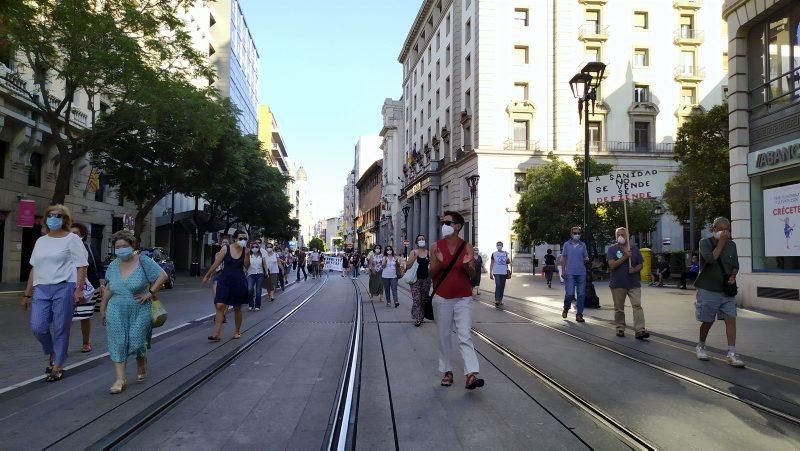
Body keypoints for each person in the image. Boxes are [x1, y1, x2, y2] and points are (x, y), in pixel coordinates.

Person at [22, 204, 89, 382]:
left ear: (65, 219)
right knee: (38, 327)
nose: (54, 218)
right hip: (42, 289)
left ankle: (57, 365)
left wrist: (79, 289)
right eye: (51, 215)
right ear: (46, 219)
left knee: (60, 328)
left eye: (58, 215)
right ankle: (52, 351)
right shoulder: (41, 241)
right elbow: (34, 267)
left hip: (64, 287)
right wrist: (27, 294)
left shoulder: (72, 239)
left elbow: (81, 265)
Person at [100, 230, 168, 393]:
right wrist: (103, 308)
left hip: (140, 307)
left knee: (136, 340)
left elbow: (163, 275)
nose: (121, 249)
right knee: (118, 342)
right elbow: (109, 288)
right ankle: (120, 378)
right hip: (116, 308)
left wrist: (149, 293)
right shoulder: (113, 265)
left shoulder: (143, 261)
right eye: (118, 247)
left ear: (132, 246)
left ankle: (141, 359)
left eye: (124, 246)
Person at [430, 211, 484, 390]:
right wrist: (438, 263)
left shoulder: (466, 247)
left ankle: (471, 374)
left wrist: (468, 265)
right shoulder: (435, 246)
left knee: (465, 335)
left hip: (463, 297)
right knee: (443, 336)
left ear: (458, 226)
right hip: (442, 297)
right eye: (443, 222)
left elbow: (472, 276)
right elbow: (431, 274)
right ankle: (447, 370)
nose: (444, 225)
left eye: (447, 222)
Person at [694, 217, 745, 367]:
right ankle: (701, 345)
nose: (723, 232)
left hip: (726, 290)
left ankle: (731, 352)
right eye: (720, 229)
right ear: (713, 229)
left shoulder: (732, 245)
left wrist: (733, 275)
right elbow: (711, 259)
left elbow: (735, 264)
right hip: (708, 288)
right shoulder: (704, 242)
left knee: (731, 319)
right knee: (708, 321)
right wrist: (722, 242)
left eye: (726, 230)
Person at [202, 230, 250, 342]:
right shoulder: (226, 248)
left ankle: (237, 331)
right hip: (225, 280)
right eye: (241, 238)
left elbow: (246, 266)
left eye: (245, 239)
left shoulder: (245, 251)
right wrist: (208, 275)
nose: (243, 241)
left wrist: (247, 255)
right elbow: (216, 263)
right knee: (219, 305)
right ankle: (216, 334)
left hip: (238, 281)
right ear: (235, 239)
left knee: (237, 307)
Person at [607, 227, 649, 339]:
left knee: (637, 305)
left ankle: (640, 330)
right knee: (619, 308)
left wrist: (635, 269)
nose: (621, 237)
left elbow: (641, 264)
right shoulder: (612, 249)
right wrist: (625, 257)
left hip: (633, 283)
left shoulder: (634, 249)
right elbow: (612, 265)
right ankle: (620, 328)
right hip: (618, 283)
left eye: (623, 234)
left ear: (628, 236)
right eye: (618, 235)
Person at [70, 222, 105, 353]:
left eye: (76, 233)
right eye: (70, 233)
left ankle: (86, 342)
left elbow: (99, 267)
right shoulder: (65, 249)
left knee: (84, 316)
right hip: (68, 288)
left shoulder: (89, 248)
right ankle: (62, 345)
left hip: (87, 289)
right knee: (66, 318)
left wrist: (102, 285)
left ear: (82, 235)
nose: (72, 236)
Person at [560, 226, 589, 323]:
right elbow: (563, 258)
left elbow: (586, 257)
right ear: (571, 234)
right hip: (570, 273)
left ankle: (579, 314)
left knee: (581, 294)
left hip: (581, 273)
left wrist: (586, 259)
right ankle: (566, 308)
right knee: (569, 294)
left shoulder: (583, 245)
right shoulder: (566, 245)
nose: (577, 235)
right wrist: (563, 271)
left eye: (578, 233)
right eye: (575, 233)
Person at [406, 234, 430, 327]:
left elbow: (431, 265)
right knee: (416, 299)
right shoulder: (413, 252)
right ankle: (417, 318)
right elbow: (407, 265)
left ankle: (421, 315)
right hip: (415, 279)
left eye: (423, 239)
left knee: (423, 299)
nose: (421, 241)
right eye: (419, 239)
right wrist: (414, 258)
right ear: (416, 242)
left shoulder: (428, 253)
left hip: (426, 279)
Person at [489, 241, 511, 308]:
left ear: (502, 246)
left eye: (500, 245)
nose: (499, 246)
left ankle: (500, 300)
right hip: (496, 272)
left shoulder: (505, 253)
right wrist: (490, 273)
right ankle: (496, 300)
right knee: (498, 285)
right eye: (498, 245)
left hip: (504, 272)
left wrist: (508, 260)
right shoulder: (494, 254)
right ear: (496, 246)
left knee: (502, 286)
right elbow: (492, 263)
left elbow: (508, 262)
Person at [246, 242, 267, 311]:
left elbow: (264, 265)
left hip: (260, 274)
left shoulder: (261, 256)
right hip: (250, 274)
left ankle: (257, 305)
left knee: (258, 290)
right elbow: (245, 265)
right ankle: (251, 304)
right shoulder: (248, 255)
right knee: (249, 289)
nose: (254, 248)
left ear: (258, 248)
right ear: (251, 248)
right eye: (253, 247)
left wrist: (266, 272)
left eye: (256, 247)